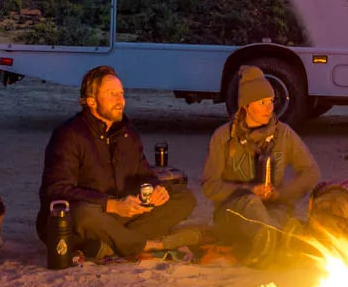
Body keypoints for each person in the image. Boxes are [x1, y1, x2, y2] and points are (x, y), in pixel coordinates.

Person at [39, 65, 199, 259]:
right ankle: (146, 244)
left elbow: (144, 175)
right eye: (112, 94)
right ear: (91, 101)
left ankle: (109, 244)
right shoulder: (69, 135)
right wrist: (111, 204)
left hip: (122, 215)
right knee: (83, 213)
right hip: (89, 216)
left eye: (121, 93)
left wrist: (157, 189)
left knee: (184, 198)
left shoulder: (127, 133)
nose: (120, 100)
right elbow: (56, 189)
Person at [200, 65, 322, 265]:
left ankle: (271, 243)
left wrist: (281, 193)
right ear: (246, 106)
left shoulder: (283, 134)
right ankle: (266, 253)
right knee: (252, 203)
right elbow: (209, 186)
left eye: (271, 101)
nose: (270, 108)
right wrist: (248, 190)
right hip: (232, 213)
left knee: (279, 218)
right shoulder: (224, 137)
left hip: (274, 210)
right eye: (262, 102)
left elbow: (311, 172)